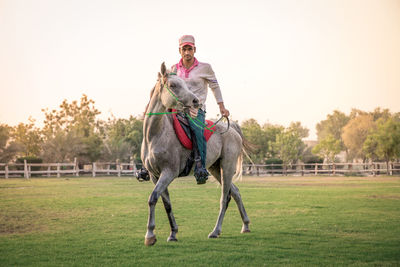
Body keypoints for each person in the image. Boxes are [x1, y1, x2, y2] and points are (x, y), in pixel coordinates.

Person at [137, 35, 229, 184]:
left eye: (190, 49)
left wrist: (222, 107)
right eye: (184, 49)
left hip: (195, 108)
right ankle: (147, 165)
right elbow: (159, 88)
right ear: (180, 50)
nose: (187, 52)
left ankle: (200, 165)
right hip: (176, 108)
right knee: (153, 125)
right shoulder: (173, 69)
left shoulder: (205, 68)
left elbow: (215, 87)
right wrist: (149, 106)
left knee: (196, 129)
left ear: (194, 50)